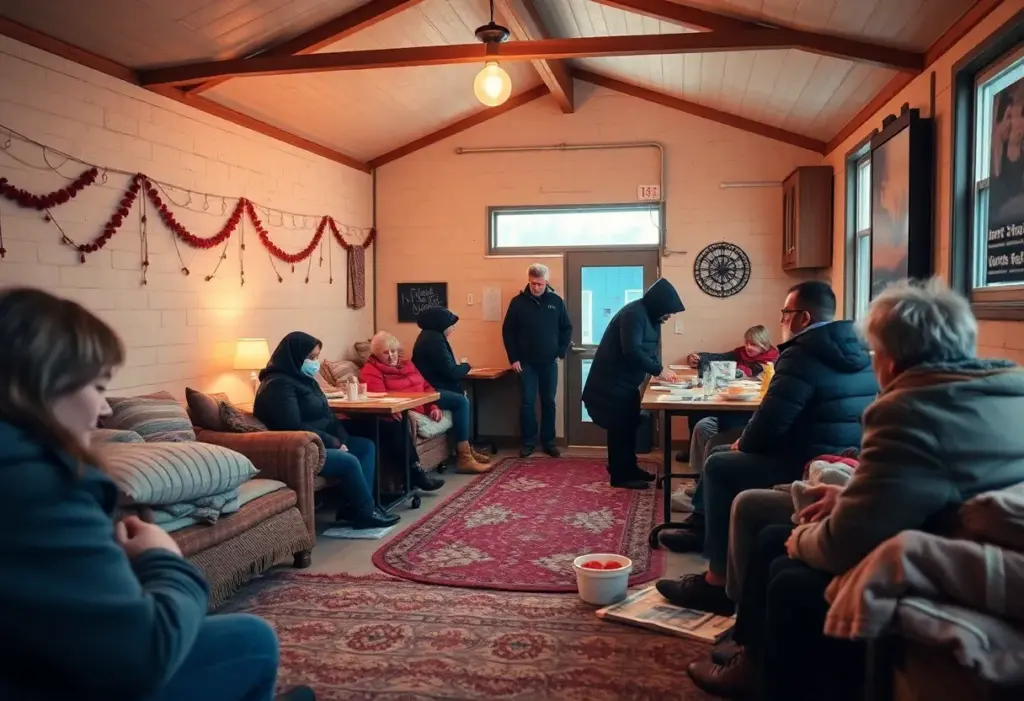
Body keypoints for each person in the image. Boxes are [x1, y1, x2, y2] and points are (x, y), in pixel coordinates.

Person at [686, 279, 1024, 701]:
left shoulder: (909, 411)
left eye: (876, 351)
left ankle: (760, 676)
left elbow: (846, 542)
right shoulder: (1005, 389)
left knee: (784, 558)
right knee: (773, 534)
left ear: (892, 358)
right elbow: (935, 487)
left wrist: (804, 539)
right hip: (955, 537)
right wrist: (846, 497)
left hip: (936, 558)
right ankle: (751, 653)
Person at [0, 287, 313, 701]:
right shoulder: (41, 488)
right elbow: (140, 656)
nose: (105, 410)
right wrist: (163, 559)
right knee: (253, 640)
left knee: (248, 638)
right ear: (45, 387)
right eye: (96, 387)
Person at [656, 280, 877, 612]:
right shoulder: (859, 352)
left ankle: (716, 582)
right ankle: (703, 531)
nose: (782, 320)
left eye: (785, 313)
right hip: (840, 455)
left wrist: (745, 443)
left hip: (803, 459)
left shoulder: (802, 354)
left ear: (802, 317)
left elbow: (771, 421)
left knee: (719, 463)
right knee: (720, 452)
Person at [254, 332, 398, 529]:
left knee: (366, 446)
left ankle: (352, 507)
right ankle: (365, 511)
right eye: (311, 358)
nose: (316, 363)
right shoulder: (278, 386)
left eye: (317, 357)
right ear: (294, 356)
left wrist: (342, 439)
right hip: (302, 449)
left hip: (322, 440)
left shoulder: (306, 380)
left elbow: (328, 416)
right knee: (348, 460)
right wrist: (334, 444)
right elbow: (293, 426)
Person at [583, 278, 685, 489]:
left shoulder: (651, 317)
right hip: (610, 383)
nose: (669, 316)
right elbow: (632, 351)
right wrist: (658, 370)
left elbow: (649, 349)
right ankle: (620, 475)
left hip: (626, 384)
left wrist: (660, 368)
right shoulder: (634, 314)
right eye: (668, 311)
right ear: (659, 304)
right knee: (619, 428)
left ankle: (629, 467)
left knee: (630, 425)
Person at [358, 331, 445, 491]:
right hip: (397, 413)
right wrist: (394, 410)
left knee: (460, 400)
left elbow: (425, 386)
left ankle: (415, 475)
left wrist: (432, 406)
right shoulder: (371, 370)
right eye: (385, 353)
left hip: (414, 407)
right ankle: (416, 473)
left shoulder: (408, 364)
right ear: (376, 355)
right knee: (398, 425)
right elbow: (380, 400)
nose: (392, 356)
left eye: (394, 351)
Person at [502, 263, 572, 458]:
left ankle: (549, 442)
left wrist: (561, 351)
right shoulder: (517, 302)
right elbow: (508, 331)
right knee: (527, 402)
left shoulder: (556, 302)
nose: (536, 288)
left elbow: (567, 328)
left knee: (549, 402)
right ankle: (528, 442)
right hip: (526, 363)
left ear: (546, 282)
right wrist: (513, 357)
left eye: (540, 284)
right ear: (528, 281)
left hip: (549, 361)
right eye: (533, 284)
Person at [411, 306, 488, 473]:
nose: (453, 328)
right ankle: (464, 457)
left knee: (465, 397)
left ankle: (468, 448)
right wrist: (466, 366)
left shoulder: (428, 336)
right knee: (461, 401)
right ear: (441, 324)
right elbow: (452, 372)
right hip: (430, 390)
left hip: (432, 386)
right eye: (451, 324)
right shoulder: (434, 340)